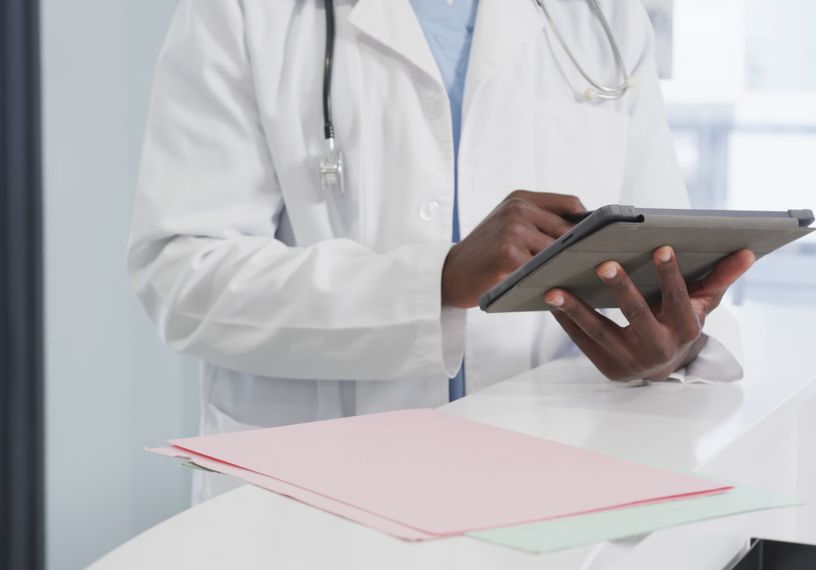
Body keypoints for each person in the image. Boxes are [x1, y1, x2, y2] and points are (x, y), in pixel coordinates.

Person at [127, 0, 754, 502]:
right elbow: (183, 276)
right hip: (314, 492)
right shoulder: (244, 13)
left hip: (550, 481)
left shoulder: (601, 19)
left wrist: (673, 343)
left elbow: (656, 252)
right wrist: (438, 278)